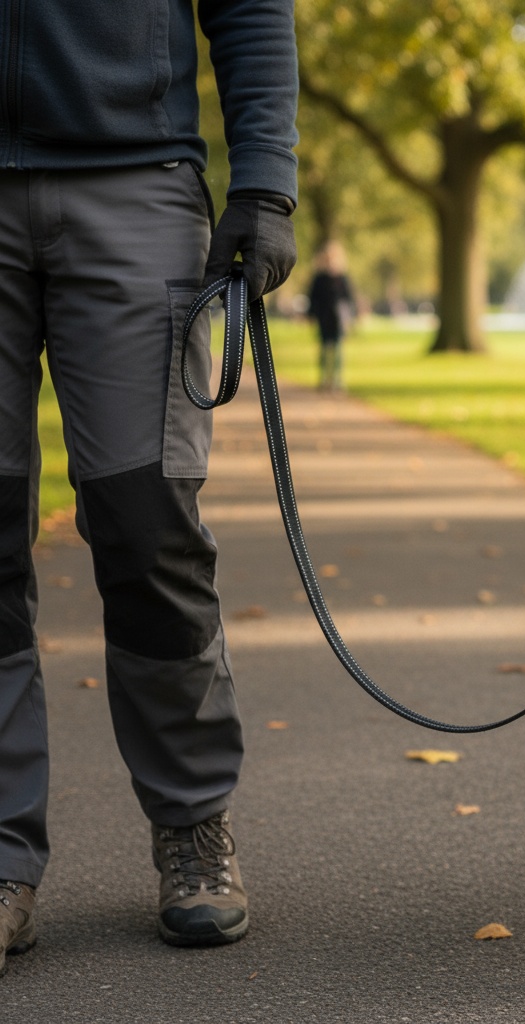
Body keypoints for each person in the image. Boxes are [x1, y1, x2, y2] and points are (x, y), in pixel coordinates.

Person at [0, 0, 299, 970]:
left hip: (136, 184)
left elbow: (250, 6)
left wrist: (265, 180)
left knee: (147, 519)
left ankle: (192, 823)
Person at [308, 242, 356, 391]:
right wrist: (311, 314)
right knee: (324, 349)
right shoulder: (319, 278)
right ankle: (323, 379)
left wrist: (350, 318)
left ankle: (336, 380)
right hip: (324, 317)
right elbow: (313, 297)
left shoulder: (343, 278)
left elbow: (349, 299)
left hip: (339, 319)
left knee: (338, 350)